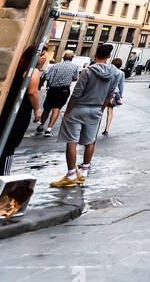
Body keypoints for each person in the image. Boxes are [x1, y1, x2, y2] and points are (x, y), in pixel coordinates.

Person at [50, 43, 121, 188]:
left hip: (79, 108)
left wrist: (68, 110)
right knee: (90, 142)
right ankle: (83, 173)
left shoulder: (88, 71)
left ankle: (71, 175)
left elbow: (77, 93)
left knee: (72, 141)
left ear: (95, 55)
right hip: (96, 110)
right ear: (108, 56)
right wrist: (101, 109)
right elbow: (110, 93)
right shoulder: (115, 73)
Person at [2, 48, 46, 174]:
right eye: (41, 55)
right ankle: (3, 174)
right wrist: (37, 111)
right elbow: (32, 93)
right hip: (20, 111)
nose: (44, 58)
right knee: (11, 144)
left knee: (4, 142)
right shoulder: (33, 71)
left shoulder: (19, 67)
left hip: (8, 108)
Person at [37, 49, 81, 136]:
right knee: (56, 108)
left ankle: (41, 125)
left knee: (47, 108)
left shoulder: (55, 66)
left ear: (63, 57)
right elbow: (76, 78)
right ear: (72, 58)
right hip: (64, 90)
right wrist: (68, 79)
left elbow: (48, 77)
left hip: (53, 89)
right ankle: (49, 129)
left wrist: (49, 85)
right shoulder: (75, 67)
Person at [103, 57, 126, 136]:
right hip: (114, 93)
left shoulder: (108, 70)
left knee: (100, 110)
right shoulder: (121, 73)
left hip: (105, 92)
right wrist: (121, 95)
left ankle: (95, 127)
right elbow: (121, 85)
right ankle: (107, 128)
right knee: (110, 110)